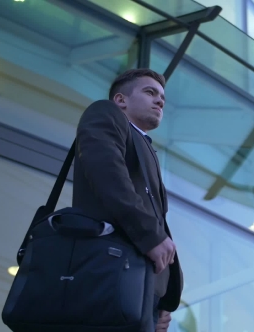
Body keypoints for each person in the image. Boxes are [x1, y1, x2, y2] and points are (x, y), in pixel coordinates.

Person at [72, 68, 183, 331]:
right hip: (107, 274)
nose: (159, 101)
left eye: (162, 99)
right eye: (150, 92)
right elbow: (107, 174)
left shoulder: (146, 148)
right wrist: (151, 236)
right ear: (121, 100)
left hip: (139, 290)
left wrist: (159, 301)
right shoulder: (105, 113)